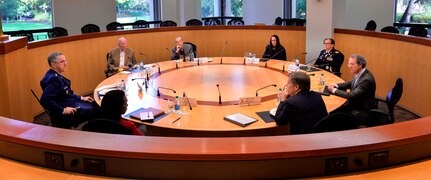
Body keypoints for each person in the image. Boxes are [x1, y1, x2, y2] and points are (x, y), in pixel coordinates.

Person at [40, 52, 99, 129]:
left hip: (67, 101)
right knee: (95, 108)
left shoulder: (52, 74)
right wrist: (63, 110)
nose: (66, 64)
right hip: (67, 107)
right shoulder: (54, 79)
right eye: (62, 62)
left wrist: (81, 98)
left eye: (65, 61)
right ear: (54, 65)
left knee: (93, 103)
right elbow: (45, 99)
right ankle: (93, 130)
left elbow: (65, 94)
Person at [328, 54, 376, 125]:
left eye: (352, 64)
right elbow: (350, 83)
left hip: (362, 107)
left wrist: (333, 90)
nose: (350, 66)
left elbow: (351, 95)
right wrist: (336, 85)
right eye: (349, 64)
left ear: (360, 65)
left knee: (336, 115)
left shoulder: (366, 79)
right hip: (356, 102)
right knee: (335, 111)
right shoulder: (361, 72)